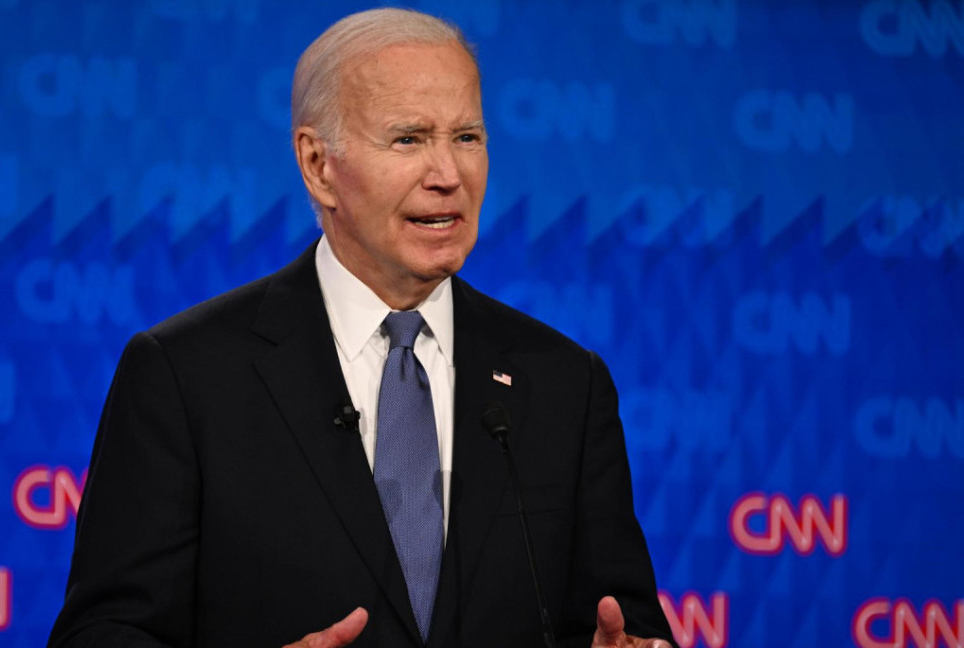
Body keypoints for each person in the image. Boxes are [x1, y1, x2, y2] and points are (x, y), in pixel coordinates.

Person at [48, 8, 675, 648]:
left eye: (467, 137)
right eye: (409, 139)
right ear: (319, 165)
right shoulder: (185, 376)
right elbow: (101, 634)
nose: (448, 175)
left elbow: (624, 623)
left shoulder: (564, 382)